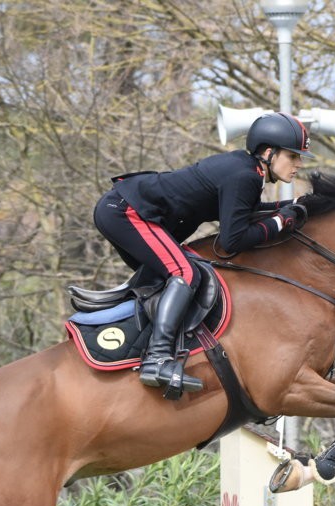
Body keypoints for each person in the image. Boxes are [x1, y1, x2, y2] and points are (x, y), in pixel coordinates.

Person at [92, 112, 313, 396]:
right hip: (127, 212)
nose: (299, 164)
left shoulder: (246, 169)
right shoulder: (245, 175)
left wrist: (294, 204)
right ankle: (157, 360)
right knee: (184, 273)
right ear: (269, 152)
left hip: (127, 209)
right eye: (293, 156)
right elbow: (233, 240)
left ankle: (143, 348)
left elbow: (244, 213)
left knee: (167, 278)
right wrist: (282, 222)